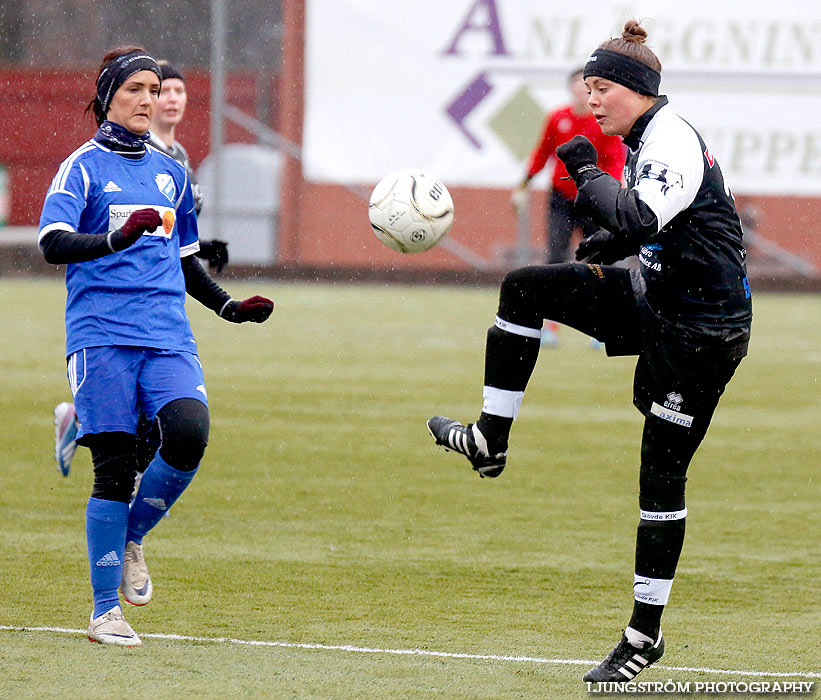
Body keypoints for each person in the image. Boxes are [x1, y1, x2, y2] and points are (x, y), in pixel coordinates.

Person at [427, 20, 751, 683]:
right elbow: (652, 225)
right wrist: (614, 244)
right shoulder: (640, 140)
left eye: (600, 87)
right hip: (656, 298)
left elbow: (636, 216)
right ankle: (490, 438)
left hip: (702, 332)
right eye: (586, 87)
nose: (590, 99)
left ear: (635, 89)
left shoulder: (669, 140)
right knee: (525, 288)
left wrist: (578, 170)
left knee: (659, 477)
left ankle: (643, 634)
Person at [39, 46, 274, 646]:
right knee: (115, 470)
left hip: (167, 334)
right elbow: (54, 243)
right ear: (109, 98)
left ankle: (133, 535)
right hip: (101, 336)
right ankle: (103, 613)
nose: (147, 100)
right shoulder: (81, 167)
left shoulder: (172, 173)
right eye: (134, 91)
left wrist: (228, 306)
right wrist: (117, 237)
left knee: (190, 433)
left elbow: (187, 260)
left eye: (153, 89)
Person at [52, 60, 227, 478]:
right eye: (155, 90)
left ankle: (80, 421)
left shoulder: (177, 159)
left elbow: (174, 235)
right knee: (130, 443)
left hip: (161, 312)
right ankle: (86, 427)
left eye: (173, 91)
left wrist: (207, 255)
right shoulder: (113, 156)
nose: (165, 98)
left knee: (168, 425)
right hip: (112, 313)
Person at [511, 68, 625, 346]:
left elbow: (614, 159)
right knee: (556, 260)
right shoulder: (557, 118)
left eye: (588, 87)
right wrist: (523, 185)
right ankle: (550, 326)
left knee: (600, 263)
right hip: (560, 199)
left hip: (595, 200)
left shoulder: (603, 122)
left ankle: (603, 328)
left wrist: (612, 191)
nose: (582, 91)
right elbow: (541, 153)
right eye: (578, 85)